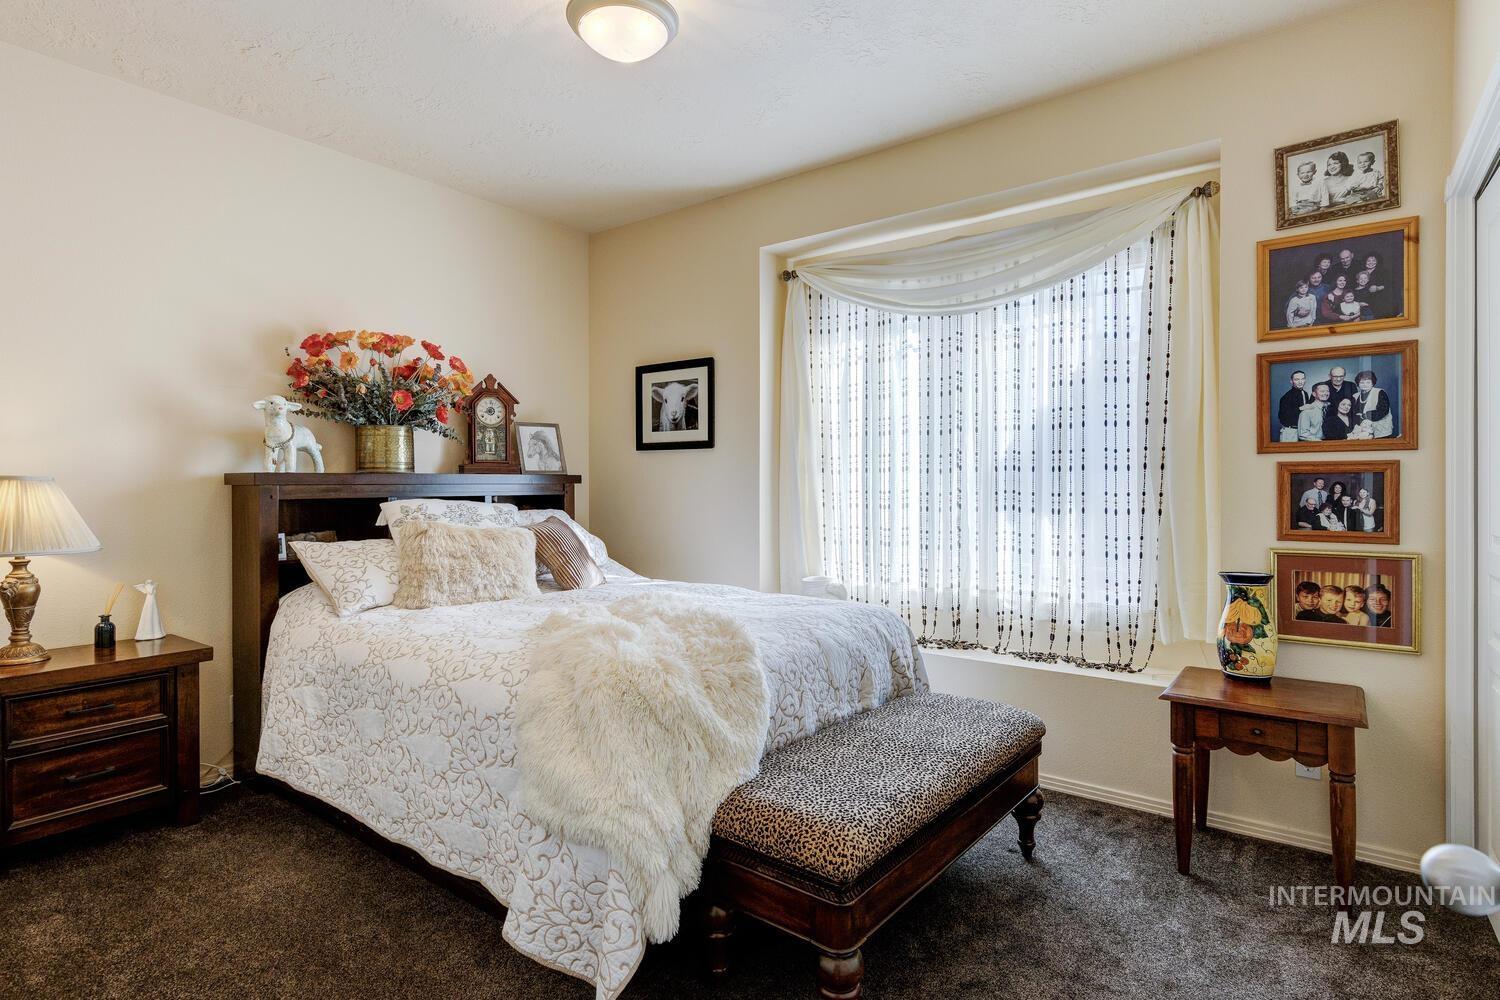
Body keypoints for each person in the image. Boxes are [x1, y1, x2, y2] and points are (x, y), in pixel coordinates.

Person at [1353, 370, 1393, 438]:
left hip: (1381, 432)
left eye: (1368, 382)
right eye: (1362, 382)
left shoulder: (1380, 392)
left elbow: (1383, 411)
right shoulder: (1355, 396)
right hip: (1363, 433)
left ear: (1372, 383)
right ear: (1358, 384)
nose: (1364, 384)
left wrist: (1364, 415)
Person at [1278, 370, 1313, 441]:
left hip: (1303, 431)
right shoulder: (1286, 397)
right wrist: (1300, 408)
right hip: (1290, 431)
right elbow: (1282, 417)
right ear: (1291, 381)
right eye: (1297, 379)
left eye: (1302, 379)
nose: (1300, 382)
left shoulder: (1305, 393)